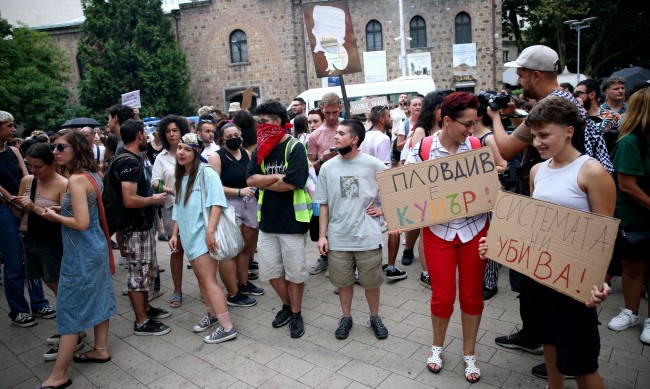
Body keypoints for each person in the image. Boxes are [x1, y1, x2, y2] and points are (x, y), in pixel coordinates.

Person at [493, 45, 614, 379]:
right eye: (534, 137)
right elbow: (534, 223)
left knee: (583, 365)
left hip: (574, 285)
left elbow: (604, 235)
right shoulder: (537, 171)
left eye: (544, 135)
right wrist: (498, 244)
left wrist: (600, 281)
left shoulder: (592, 173)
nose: (539, 143)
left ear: (569, 131)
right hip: (540, 278)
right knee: (549, 344)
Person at [407, 92, 488, 384]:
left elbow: (492, 183)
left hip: (475, 229)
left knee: (471, 295)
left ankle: (470, 354)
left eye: (474, 123)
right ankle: (436, 347)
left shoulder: (478, 145)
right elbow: (406, 190)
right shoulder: (424, 148)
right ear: (447, 120)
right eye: (466, 124)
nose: (471, 129)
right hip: (438, 231)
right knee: (441, 295)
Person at [37, 129, 117, 389]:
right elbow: (88, 210)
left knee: (69, 308)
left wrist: (53, 215)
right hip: (96, 247)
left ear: (77, 149)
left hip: (81, 250)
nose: (54, 152)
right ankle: (101, 348)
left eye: (60, 148)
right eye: (54, 147)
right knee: (100, 294)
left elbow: (81, 223)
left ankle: (59, 374)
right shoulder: (93, 174)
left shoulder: (75, 180)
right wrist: (65, 208)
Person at [316, 119, 390, 340]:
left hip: (367, 236)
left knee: (371, 283)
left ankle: (375, 317)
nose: (335, 137)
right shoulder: (327, 167)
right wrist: (322, 236)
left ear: (354, 139)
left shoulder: (374, 164)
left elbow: (394, 189)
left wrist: (383, 209)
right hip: (338, 237)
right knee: (343, 282)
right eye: (335, 133)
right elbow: (323, 204)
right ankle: (346, 317)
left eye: (341, 133)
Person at [247, 100, 312, 338]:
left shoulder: (295, 147)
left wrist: (263, 179)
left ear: (276, 122)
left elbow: (294, 182)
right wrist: (277, 178)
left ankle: (296, 313)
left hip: (292, 222)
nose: (259, 126)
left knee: (295, 274)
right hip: (267, 223)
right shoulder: (259, 149)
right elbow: (250, 180)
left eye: (263, 122)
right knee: (271, 273)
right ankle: (287, 305)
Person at [169, 133, 238, 344]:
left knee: (209, 281)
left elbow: (217, 202)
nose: (181, 152)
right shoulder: (182, 176)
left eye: (187, 149)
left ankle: (227, 327)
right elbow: (179, 208)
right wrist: (174, 234)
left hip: (202, 237)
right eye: (180, 148)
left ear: (196, 152)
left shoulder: (206, 172)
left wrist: (209, 232)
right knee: (202, 280)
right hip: (189, 238)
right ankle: (213, 314)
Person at [110, 119, 170, 335]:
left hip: (141, 227)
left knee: (146, 270)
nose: (147, 136)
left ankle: (146, 309)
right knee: (138, 275)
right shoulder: (129, 162)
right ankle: (141, 322)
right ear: (138, 135)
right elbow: (129, 200)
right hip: (134, 227)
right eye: (145, 132)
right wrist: (153, 200)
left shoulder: (133, 158)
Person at [13, 144, 73, 361]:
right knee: (45, 282)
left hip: (50, 240)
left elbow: (65, 219)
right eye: (30, 165)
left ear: (51, 164)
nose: (33, 170)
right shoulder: (27, 181)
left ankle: (71, 331)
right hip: (28, 237)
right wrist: (15, 203)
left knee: (57, 285)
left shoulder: (64, 184)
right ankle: (68, 328)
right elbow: (18, 212)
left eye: (37, 166)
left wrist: (34, 207)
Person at [0, 111, 54, 329]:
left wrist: (28, 201)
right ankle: (18, 309)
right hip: (5, 209)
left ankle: (39, 302)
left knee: (32, 254)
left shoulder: (13, 151)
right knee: (14, 259)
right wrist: (12, 200)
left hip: (25, 205)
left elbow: (28, 177)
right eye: (9, 126)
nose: (14, 129)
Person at [606, 88, 650, 343]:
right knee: (633, 268)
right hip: (635, 218)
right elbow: (628, 186)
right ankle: (631, 311)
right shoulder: (630, 143)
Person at [209, 123, 264, 299]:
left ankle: (244, 283)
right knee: (232, 249)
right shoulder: (216, 157)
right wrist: (238, 192)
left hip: (249, 203)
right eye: (229, 136)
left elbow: (251, 177)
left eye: (236, 134)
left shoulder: (246, 153)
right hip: (229, 206)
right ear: (222, 139)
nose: (234, 138)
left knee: (245, 249)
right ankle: (234, 291)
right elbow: (214, 186)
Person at [360, 105, 407, 281]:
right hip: (379, 193)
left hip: (365, 192)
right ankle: (392, 267)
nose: (390, 119)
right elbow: (384, 171)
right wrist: (388, 203)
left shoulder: (363, 136)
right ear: (381, 119)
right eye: (388, 116)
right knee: (395, 226)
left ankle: (364, 268)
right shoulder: (383, 138)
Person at [152, 115, 189, 308]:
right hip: (171, 207)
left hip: (192, 207)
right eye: (167, 131)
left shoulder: (191, 150)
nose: (171, 134)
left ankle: (206, 286)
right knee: (177, 251)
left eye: (175, 130)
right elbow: (155, 183)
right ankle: (177, 291)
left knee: (198, 250)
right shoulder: (161, 157)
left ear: (182, 131)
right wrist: (170, 190)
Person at [307, 93, 342, 275]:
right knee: (324, 220)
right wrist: (323, 159)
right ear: (322, 110)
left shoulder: (347, 129)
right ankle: (325, 257)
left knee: (342, 220)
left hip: (344, 182)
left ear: (340, 108)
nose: (331, 117)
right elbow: (310, 166)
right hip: (324, 183)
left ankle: (339, 259)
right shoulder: (315, 136)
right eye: (327, 113)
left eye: (334, 112)